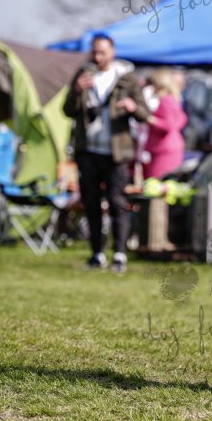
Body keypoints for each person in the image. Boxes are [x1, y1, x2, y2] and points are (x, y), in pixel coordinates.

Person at [63, 34, 149, 274]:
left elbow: (144, 113)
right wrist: (77, 90)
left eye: (102, 52)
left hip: (116, 152)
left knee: (117, 202)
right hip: (88, 150)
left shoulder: (127, 77)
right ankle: (96, 254)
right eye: (94, 52)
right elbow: (67, 110)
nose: (97, 57)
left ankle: (119, 254)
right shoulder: (84, 74)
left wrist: (132, 107)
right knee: (91, 204)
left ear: (113, 52)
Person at [144, 68, 188, 179]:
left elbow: (169, 125)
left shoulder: (165, 101)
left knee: (156, 183)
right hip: (171, 146)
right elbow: (182, 119)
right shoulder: (173, 99)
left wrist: (150, 119)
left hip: (164, 149)